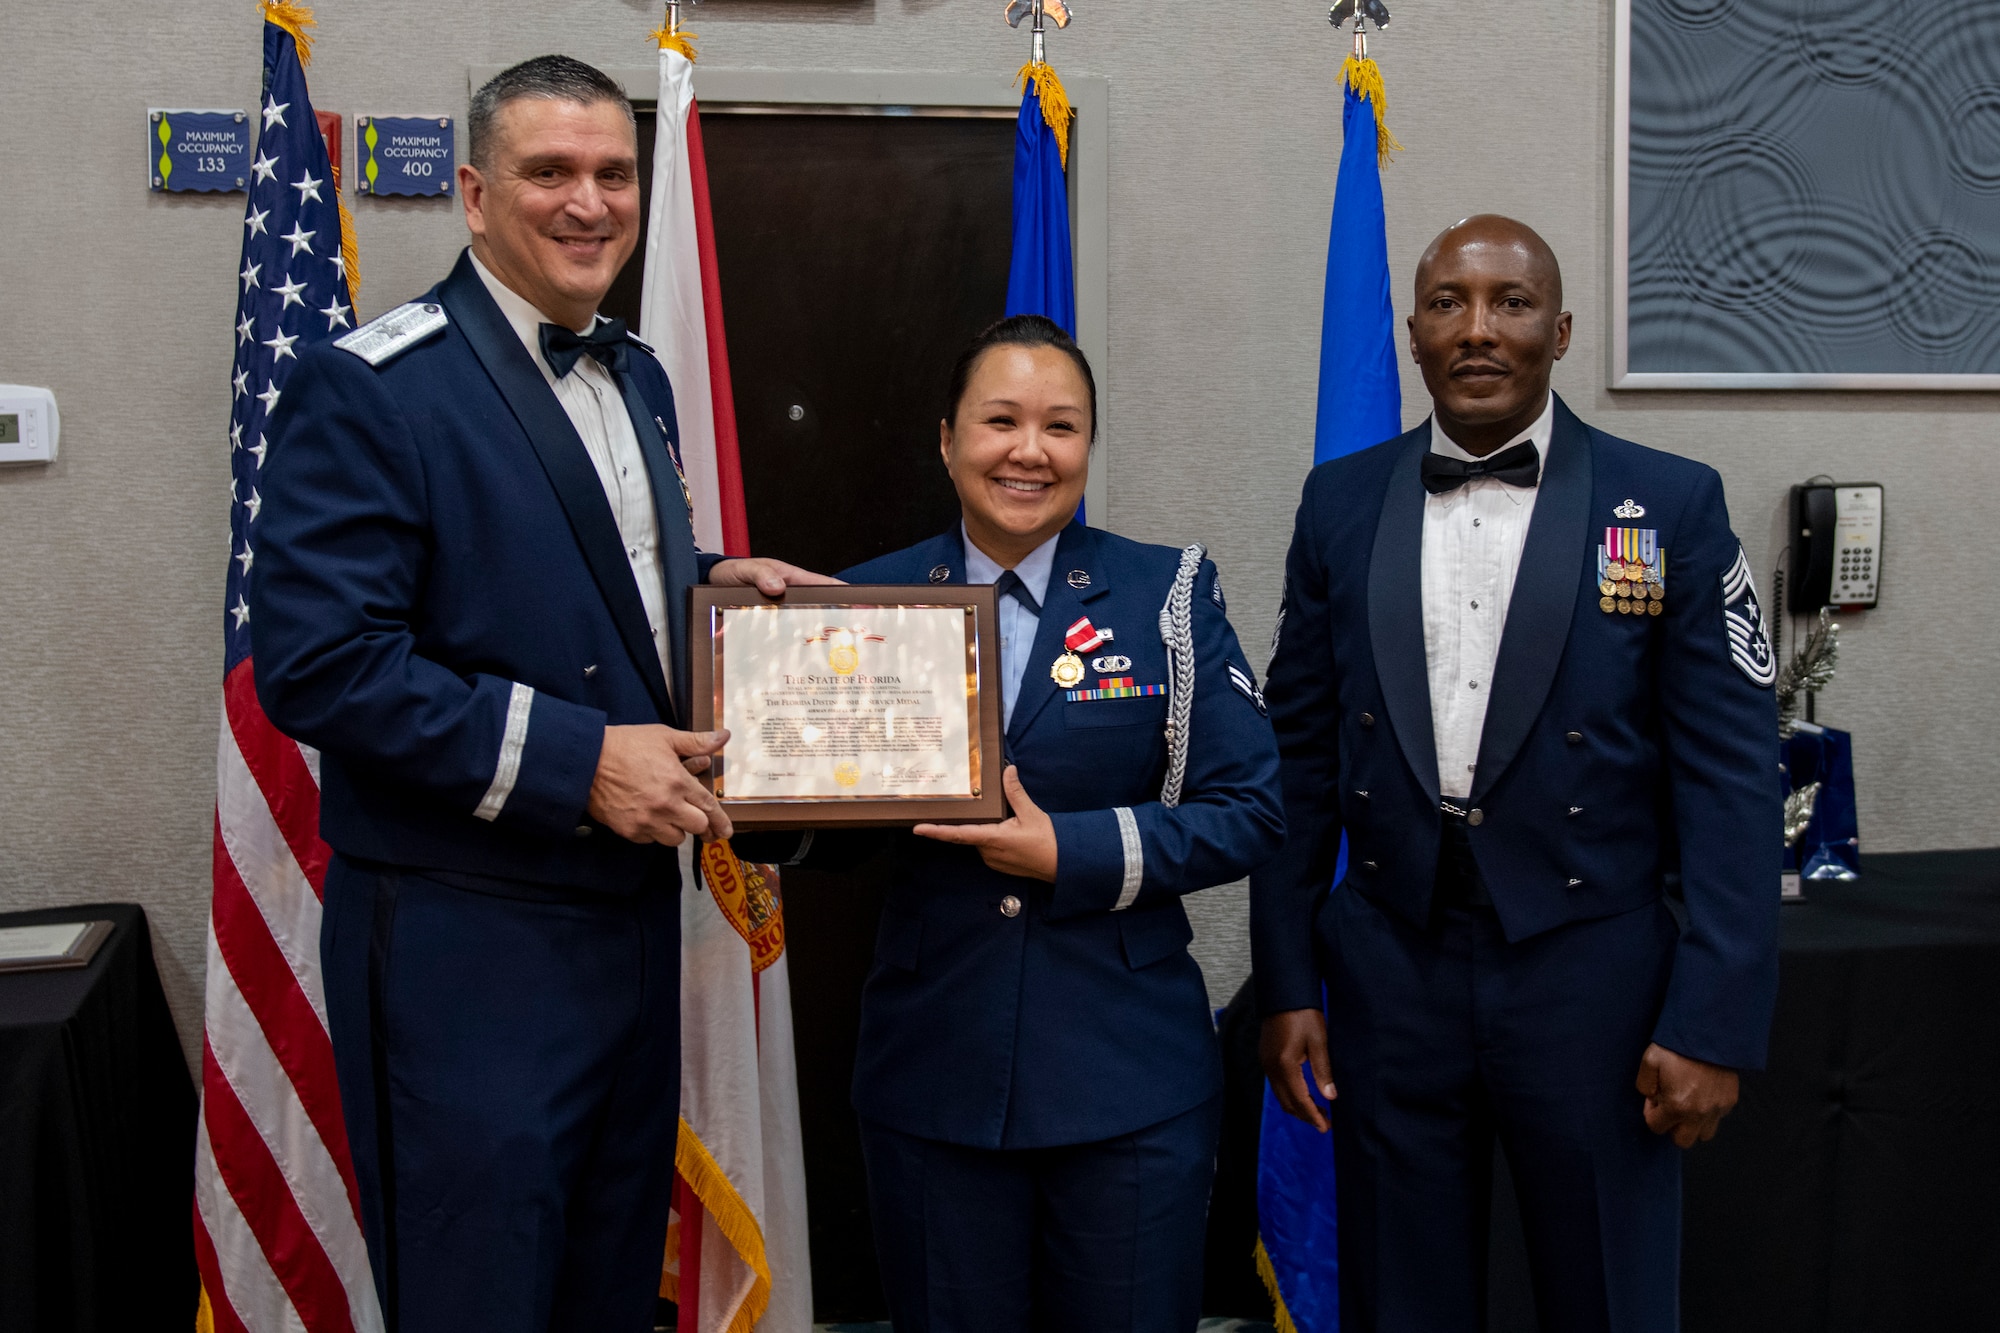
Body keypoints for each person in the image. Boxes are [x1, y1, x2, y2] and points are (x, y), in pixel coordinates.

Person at [250, 55, 831, 1332]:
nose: (590, 203)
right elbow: (321, 664)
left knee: (603, 1286)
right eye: (550, 173)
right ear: (470, 192)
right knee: (484, 1294)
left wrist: (721, 590)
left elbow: (575, 576)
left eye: (614, 173)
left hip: (625, 929)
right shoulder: (374, 386)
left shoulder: (637, 375)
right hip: (466, 943)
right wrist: (579, 762)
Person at [1251, 216, 1780, 1333]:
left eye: (1510, 302)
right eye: (1447, 302)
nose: (1477, 328)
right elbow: (1296, 760)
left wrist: (1713, 1021)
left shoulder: (1668, 502)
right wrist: (1291, 979)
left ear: (1560, 329)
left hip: (1593, 973)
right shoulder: (1338, 503)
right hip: (1391, 970)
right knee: (1400, 1295)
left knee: (1605, 1295)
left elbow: (1731, 780)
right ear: (1410, 334)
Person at [763, 314, 1283, 1331]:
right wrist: (753, 794)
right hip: (934, 1074)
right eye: (1000, 420)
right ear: (947, 439)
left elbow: (1251, 809)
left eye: (1061, 426)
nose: (1028, 450)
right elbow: (824, 820)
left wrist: (1070, 851)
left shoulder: (1164, 592)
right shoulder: (861, 601)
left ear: (1088, 445)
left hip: (1128, 1083)